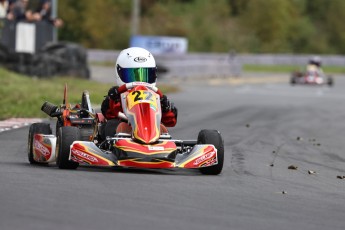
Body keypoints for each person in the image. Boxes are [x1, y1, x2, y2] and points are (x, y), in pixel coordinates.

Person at [101, 47, 178, 136]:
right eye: (132, 75)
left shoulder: (156, 97)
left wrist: (165, 107)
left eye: (145, 75)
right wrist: (113, 98)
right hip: (126, 131)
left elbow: (171, 121)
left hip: (150, 131)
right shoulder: (119, 96)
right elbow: (108, 114)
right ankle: (113, 146)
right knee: (111, 125)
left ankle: (157, 142)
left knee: (162, 128)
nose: (139, 81)